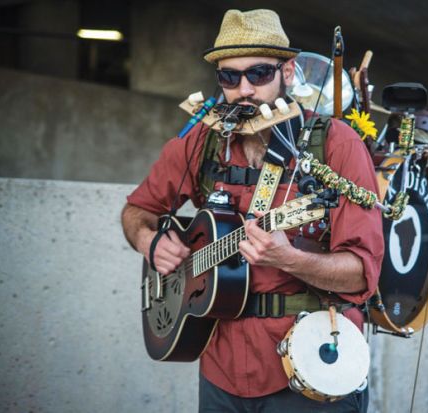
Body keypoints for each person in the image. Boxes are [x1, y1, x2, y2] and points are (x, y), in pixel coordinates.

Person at [121, 9, 383, 413]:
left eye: (259, 74)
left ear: (289, 72)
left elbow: (362, 273)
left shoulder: (336, 145)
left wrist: (290, 258)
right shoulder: (201, 142)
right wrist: (148, 240)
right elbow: (138, 210)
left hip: (310, 368)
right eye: (229, 77)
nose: (244, 89)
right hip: (220, 365)